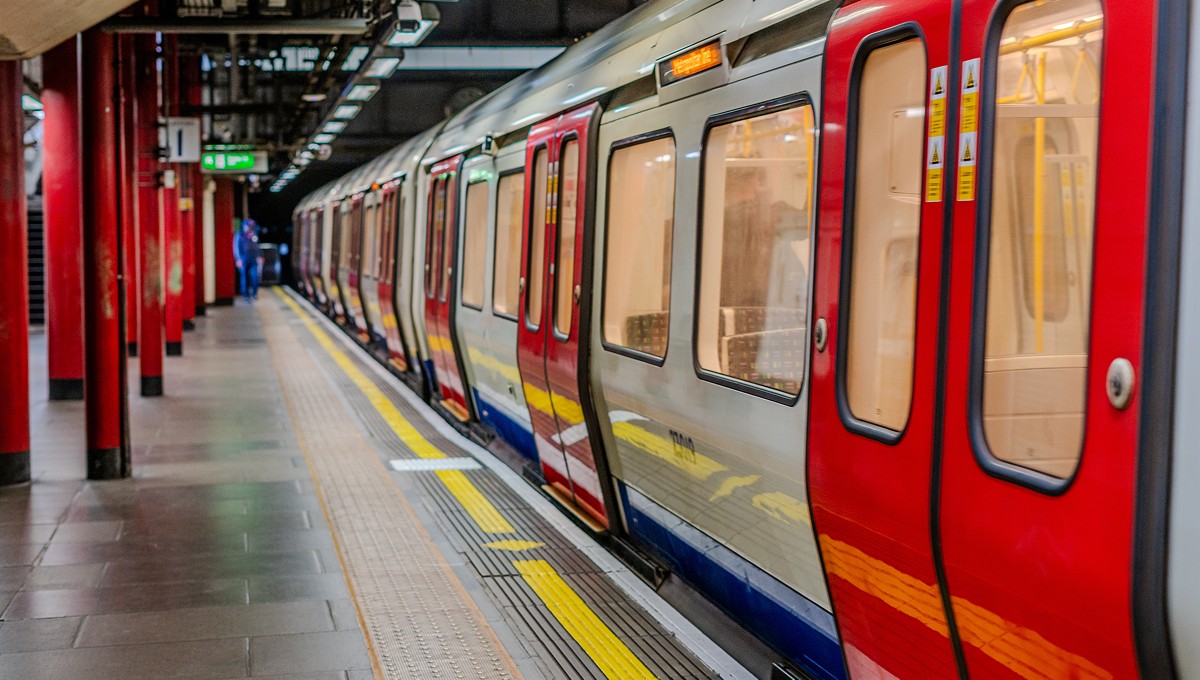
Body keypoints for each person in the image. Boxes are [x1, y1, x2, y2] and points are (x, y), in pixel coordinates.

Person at [234, 219, 262, 301]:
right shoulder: (240, 235)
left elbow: (257, 247)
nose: (250, 228)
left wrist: (259, 256)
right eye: (249, 226)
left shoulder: (254, 235)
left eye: (252, 226)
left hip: (253, 259)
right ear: (244, 226)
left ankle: (254, 294)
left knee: (255, 277)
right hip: (243, 259)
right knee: (244, 278)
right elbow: (236, 248)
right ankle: (246, 295)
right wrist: (238, 259)